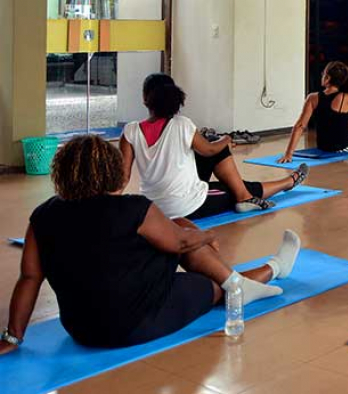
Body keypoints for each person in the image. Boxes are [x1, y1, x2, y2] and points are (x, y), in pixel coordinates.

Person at [0, 135, 299, 353]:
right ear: (111, 171)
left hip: (82, 329)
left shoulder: (43, 216)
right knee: (211, 277)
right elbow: (181, 243)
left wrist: (13, 336)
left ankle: (254, 279)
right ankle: (271, 270)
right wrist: (208, 236)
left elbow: (30, 278)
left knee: (178, 229)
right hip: (137, 322)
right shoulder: (133, 208)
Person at [121, 74, 307, 220]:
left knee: (214, 151)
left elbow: (123, 176)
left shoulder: (130, 131)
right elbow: (210, 150)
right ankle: (286, 183)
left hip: (153, 208)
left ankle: (250, 193)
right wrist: (226, 139)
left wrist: (106, 205)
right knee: (236, 184)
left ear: (145, 99)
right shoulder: (182, 124)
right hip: (185, 206)